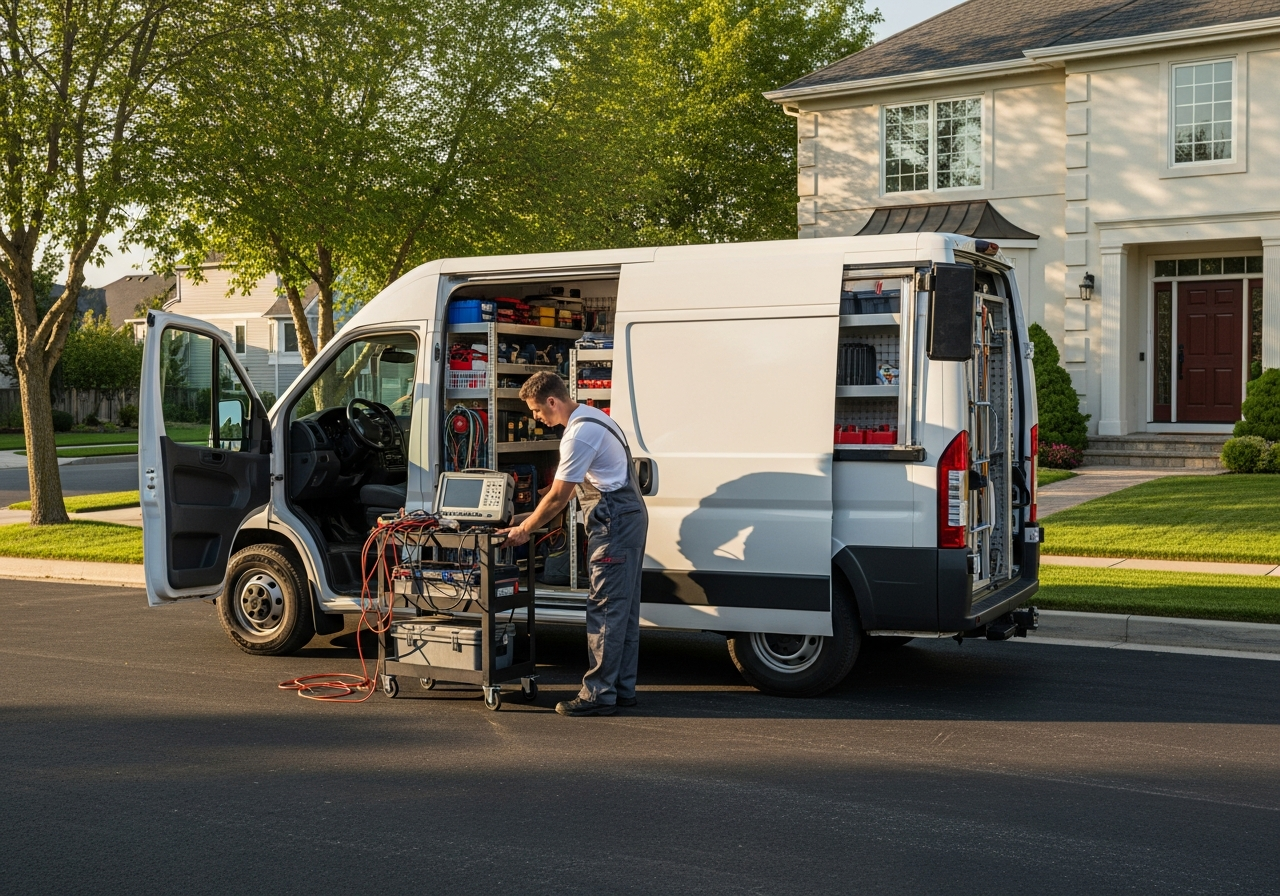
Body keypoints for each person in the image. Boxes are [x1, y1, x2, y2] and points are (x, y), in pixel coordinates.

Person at [497, 371, 648, 717]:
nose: (536, 417)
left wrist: (525, 530)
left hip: (614, 520)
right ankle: (620, 689)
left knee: (605, 608)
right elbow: (555, 494)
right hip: (628, 514)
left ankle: (597, 694)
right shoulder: (594, 416)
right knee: (623, 610)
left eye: (536, 410)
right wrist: (529, 515)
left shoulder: (578, 434)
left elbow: (559, 498)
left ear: (552, 401)